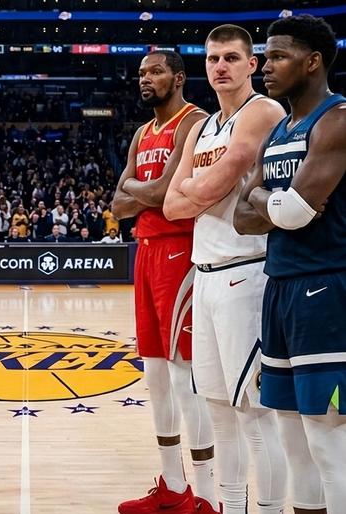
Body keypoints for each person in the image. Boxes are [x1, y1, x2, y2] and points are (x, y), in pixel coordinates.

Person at [163, 25, 289, 514]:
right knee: (218, 411)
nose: (220, 66)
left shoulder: (262, 111)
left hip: (248, 270)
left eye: (231, 58)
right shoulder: (201, 127)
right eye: (213, 58)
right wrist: (198, 192)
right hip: (206, 274)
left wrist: (195, 191)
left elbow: (219, 179)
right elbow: (172, 205)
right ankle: (231, 507)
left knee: (255, 414)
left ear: (251, 64)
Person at [234, 14, 345, 513]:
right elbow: (243, 218)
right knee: (292, 438)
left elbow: (294, 214)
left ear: (313, 61)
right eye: (267, 56)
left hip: (325, 290)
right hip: (278, 286)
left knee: (328, 443)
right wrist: (270, 200)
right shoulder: (278, 131)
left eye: (279, 56)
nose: (266, 66)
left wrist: (264, 198)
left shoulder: (336, 119)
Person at [112, 50, 217, 514]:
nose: (145, 78)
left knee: (184, 375)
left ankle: (208, 495)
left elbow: (158, 192)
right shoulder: (142, 133)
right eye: (141, 72)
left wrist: (139, 190)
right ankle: (173, 487)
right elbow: (118, 205)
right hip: (147, 250)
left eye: (155, 71)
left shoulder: (194, 122)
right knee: (154, 374)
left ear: (178, 77)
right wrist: (144, 193)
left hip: (181, 250)